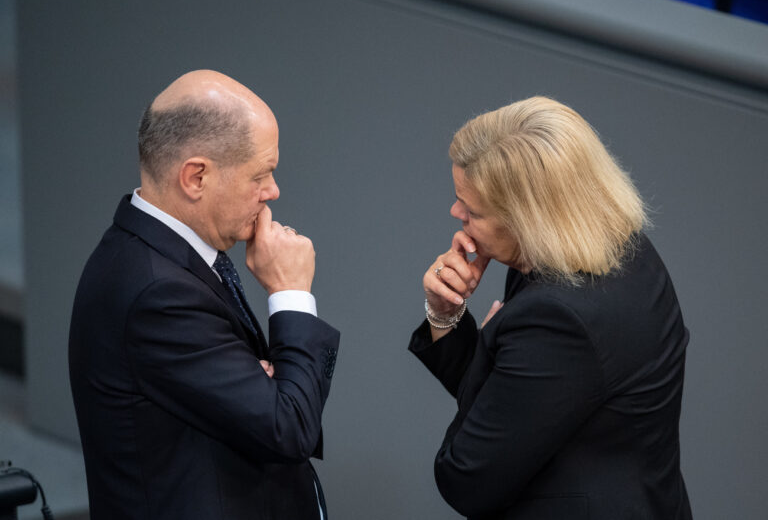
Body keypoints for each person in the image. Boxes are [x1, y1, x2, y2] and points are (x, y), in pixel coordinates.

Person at [69, 70, 340, 520]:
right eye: (262, 174)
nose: (273, 191)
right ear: (196, 177)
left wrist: (266, 385)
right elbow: (288, 426)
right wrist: (291, 295)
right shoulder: (158, 293)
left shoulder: (168, 254)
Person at [409, 96, 692, 519]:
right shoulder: (613, 249)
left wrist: (491, 346)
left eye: (472, 210)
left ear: (529, 219)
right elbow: (522, 407)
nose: (455, 213)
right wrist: (446, 315)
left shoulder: (558, 317)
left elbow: (464, 477)